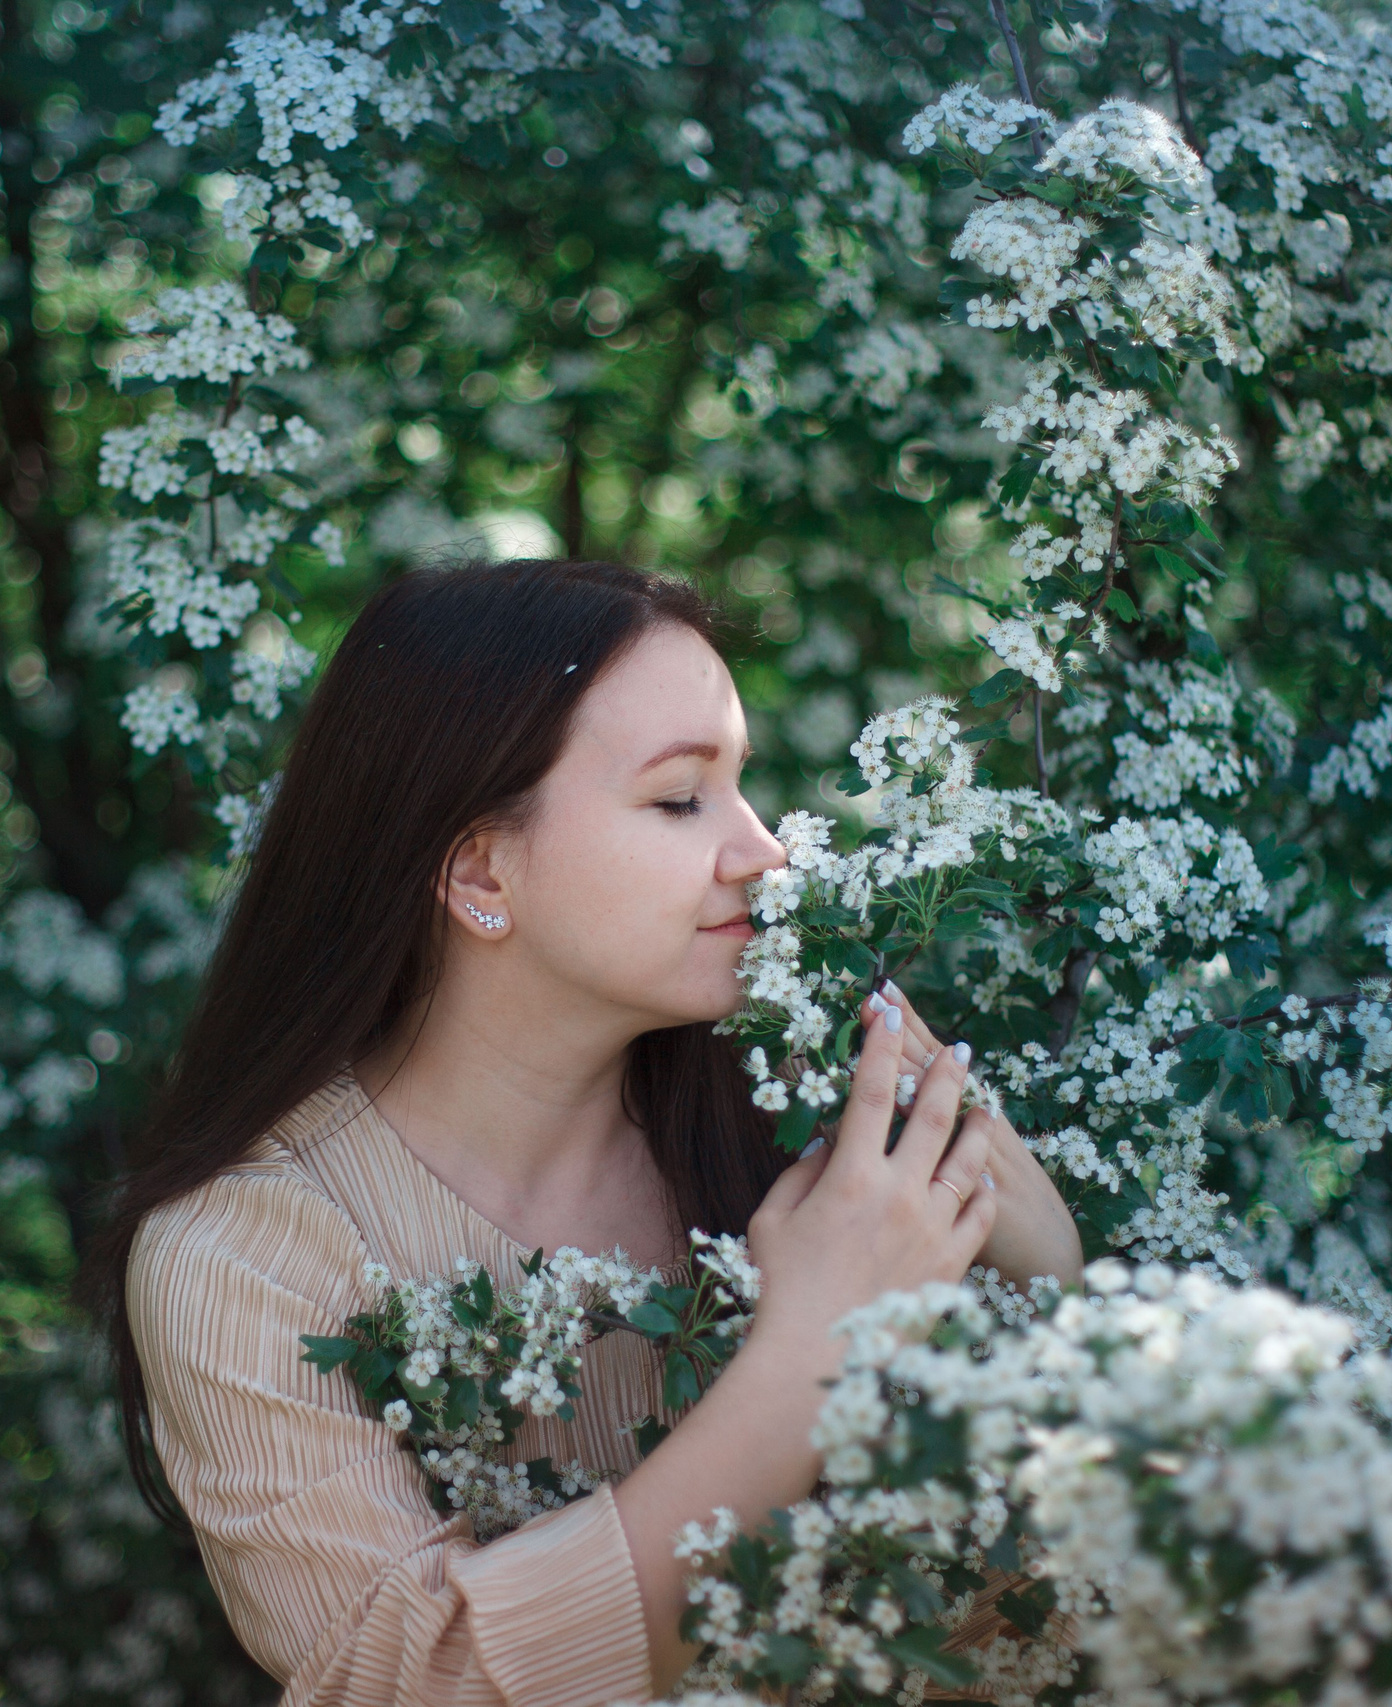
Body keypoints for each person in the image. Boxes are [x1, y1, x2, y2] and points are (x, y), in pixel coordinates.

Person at [79, 559, 1081, 1707]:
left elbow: (1022, 1619)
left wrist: (1056, 1278)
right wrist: (817, 1349)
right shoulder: (244, 1257)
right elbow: (417, 1685)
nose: (765, 856)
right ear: (479, 871)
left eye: (742, 788)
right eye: (678, 799)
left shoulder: (806, 1116)